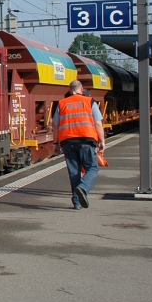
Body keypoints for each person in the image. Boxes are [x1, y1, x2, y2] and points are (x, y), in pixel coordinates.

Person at [55, 80, 105, 209]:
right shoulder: (89, 101)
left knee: (74, 172)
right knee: (92, 168)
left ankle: (77, 203)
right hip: (86, 140)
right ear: (81, 88)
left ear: (69, 89)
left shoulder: (62, 103)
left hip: (68, 141)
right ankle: (83, 187)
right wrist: (102, 141)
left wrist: (56, 142)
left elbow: (56, 125)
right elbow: (98, 123)